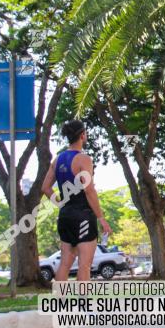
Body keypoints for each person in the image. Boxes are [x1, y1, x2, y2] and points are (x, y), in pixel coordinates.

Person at [41, 119, 112, 283]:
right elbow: (89, 190)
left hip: (65, 215)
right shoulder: (83, 159)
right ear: (82, 135)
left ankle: (59, 304)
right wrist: (101, 218)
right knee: (84, 265)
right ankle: (84, 306)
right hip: (83, 216)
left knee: (65, 264)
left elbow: (45, 188)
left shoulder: (57, 159)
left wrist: (61, 204)